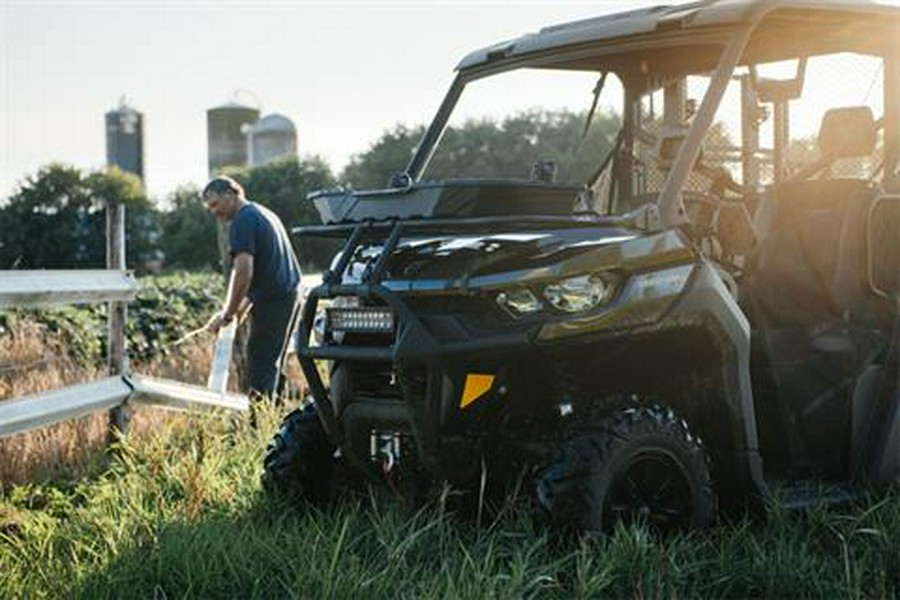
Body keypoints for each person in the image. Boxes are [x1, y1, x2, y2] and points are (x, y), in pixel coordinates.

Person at [202, 175, 301, 401]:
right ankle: (278, 419)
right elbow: (263, 275)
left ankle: (259, 425)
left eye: (215, 204)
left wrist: (227, 313)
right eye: (209, 208)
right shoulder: (263, 213)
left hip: (275, 302)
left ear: (230, 194)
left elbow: (243, 271)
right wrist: (237, 312)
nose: (213, 212)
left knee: (260, 364)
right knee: (271, 362)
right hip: (288, 296)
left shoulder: (243, 220)